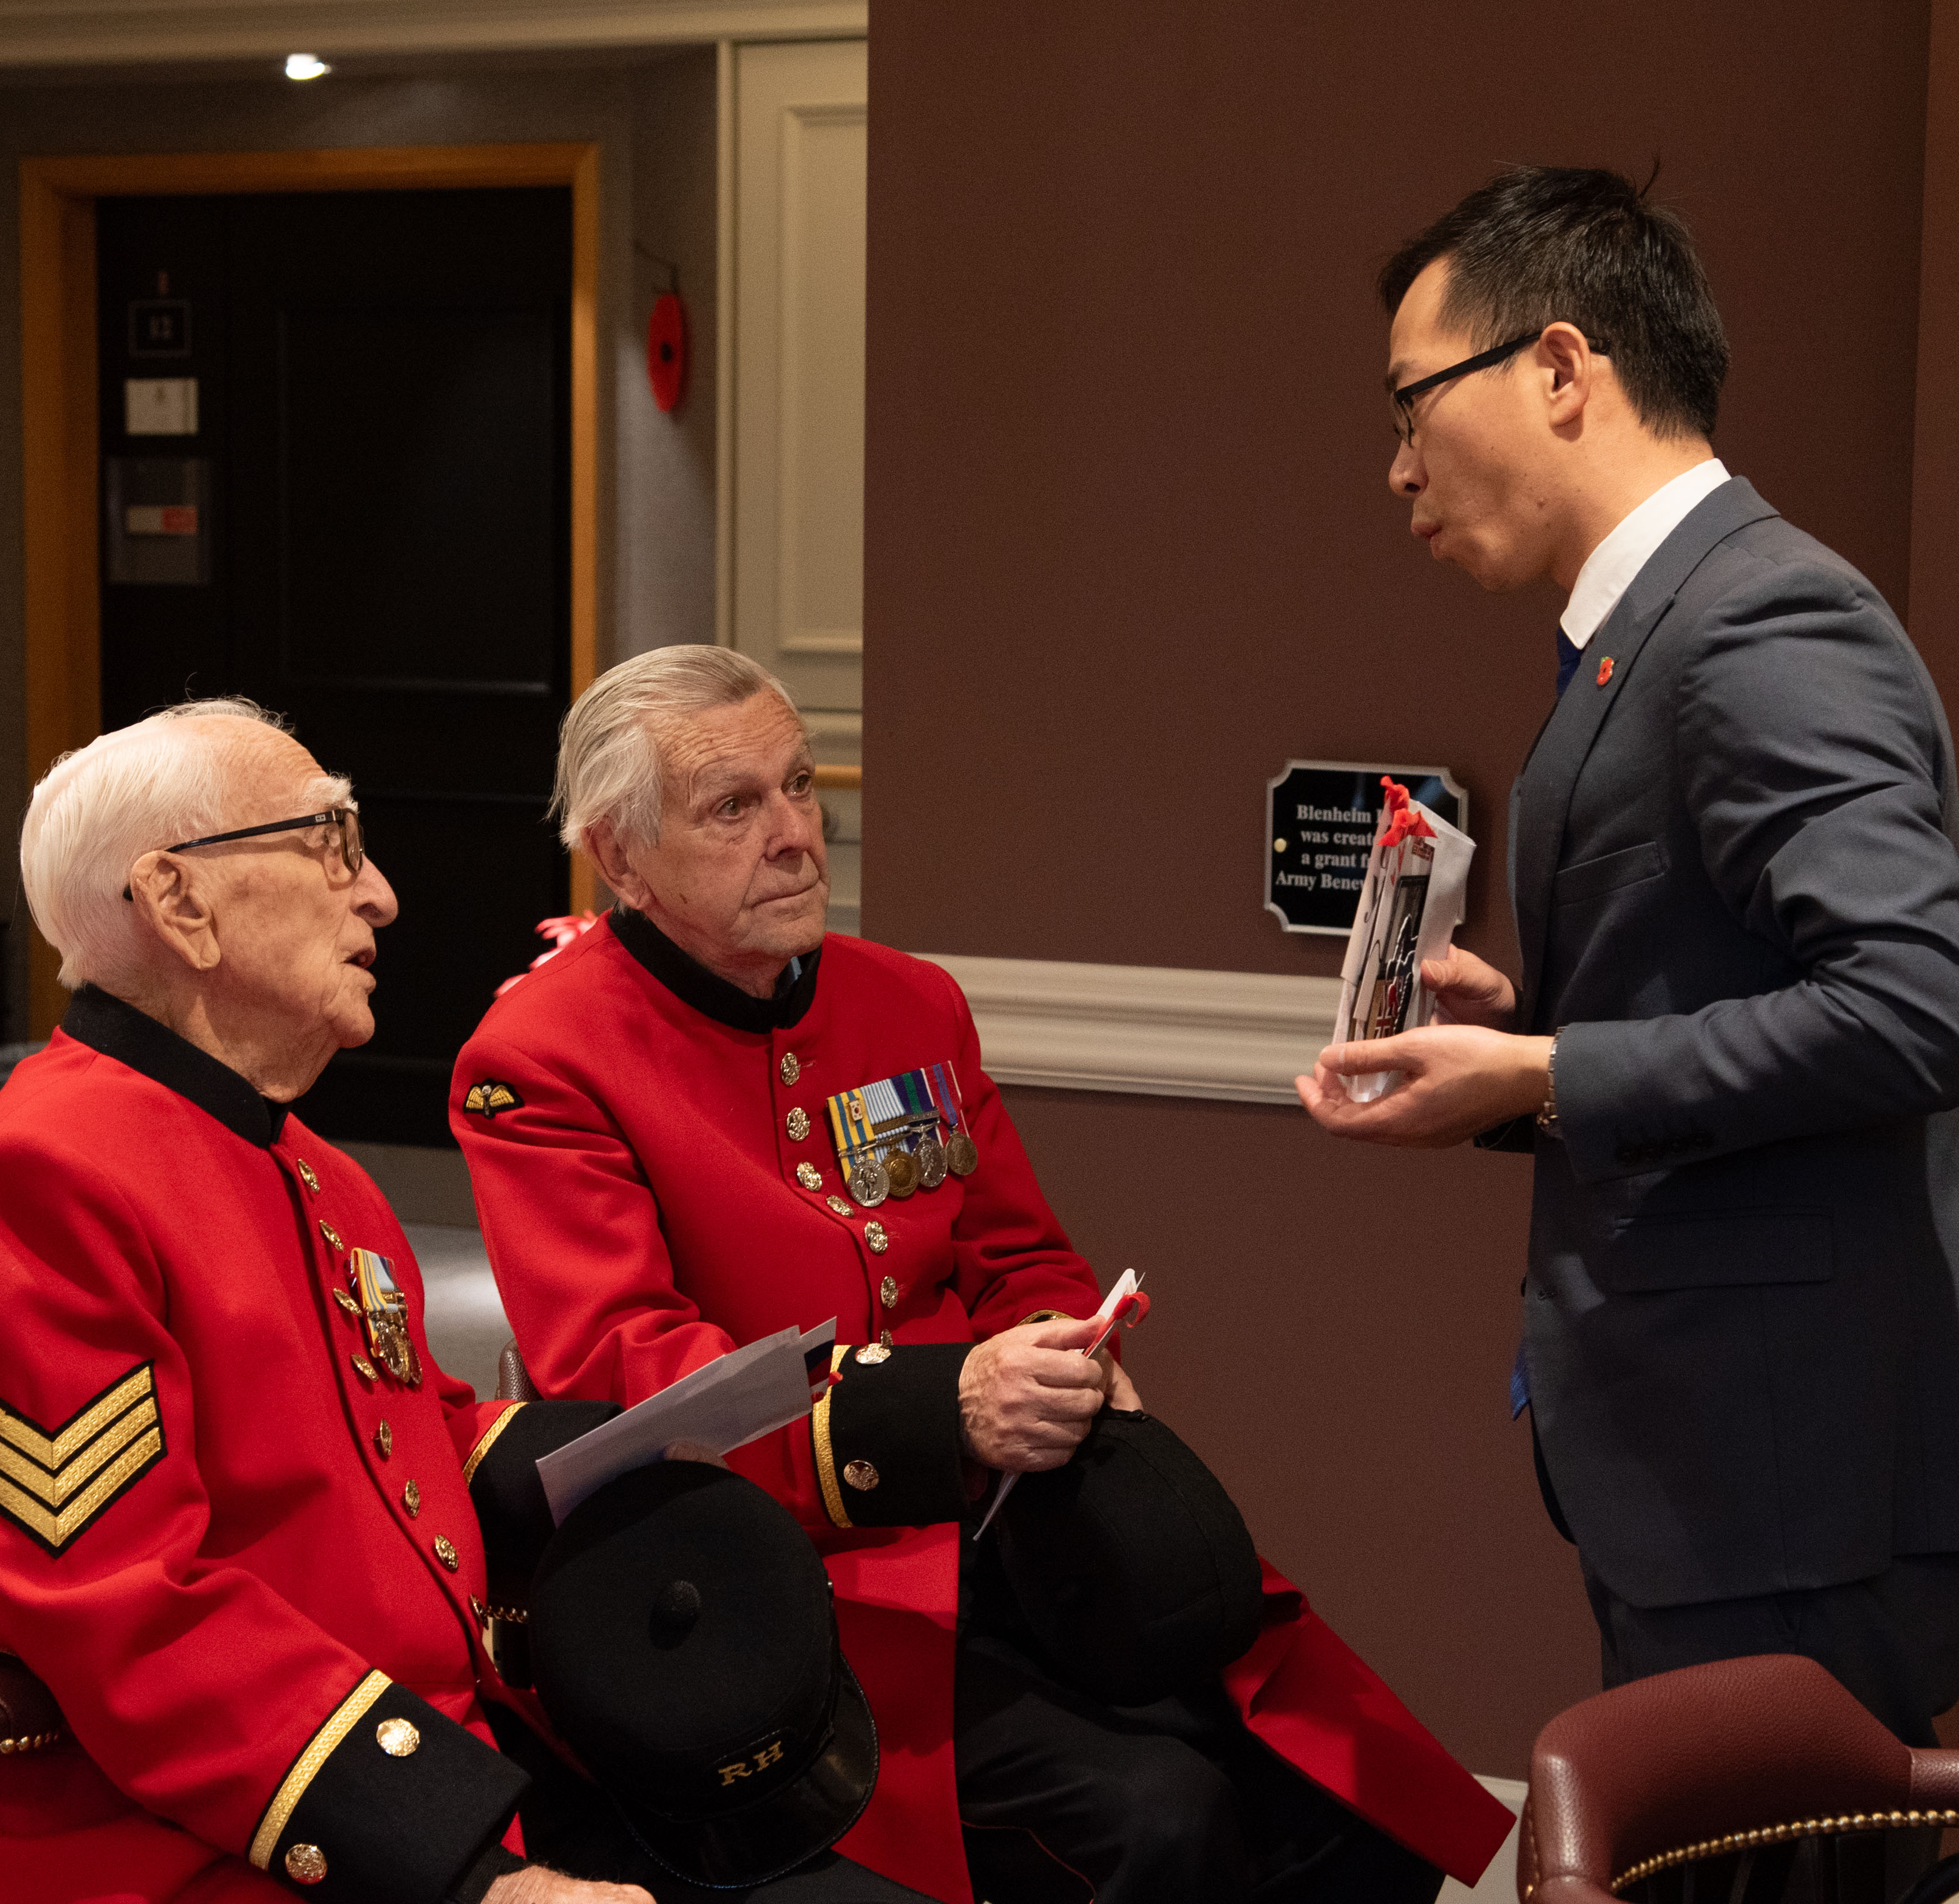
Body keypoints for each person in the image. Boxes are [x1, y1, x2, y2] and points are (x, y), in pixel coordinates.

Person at [452, 646, 1514, 1904]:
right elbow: (626, 1375)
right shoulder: (542, 1057)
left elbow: (1016, 1257)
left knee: (1338, 1785)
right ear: (617, 856)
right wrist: (937, 1408)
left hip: (1019, 1518)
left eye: (799, 787)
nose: (796, 835)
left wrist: (1065, 1344)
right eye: (733, 808)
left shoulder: (907, 1001)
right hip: (795, 1579)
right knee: (1156, 1820)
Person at [1298, 167, 1959, 1758]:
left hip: (1791, 1483)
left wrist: (1555, 1067)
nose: (1397, 464)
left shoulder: (1757, 621)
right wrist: (1516, 1060)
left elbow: (1916, 1009)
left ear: (1562, 369)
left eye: (1416, 402)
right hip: (1726, 1469)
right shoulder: (1659, 629)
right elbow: (1730, 993)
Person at [0, 698, 668, 1904]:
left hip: (407, 1773)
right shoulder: (38, 1180)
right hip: (190, 1846)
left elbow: (412, 1444)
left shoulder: (306, 1166)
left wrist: (651, 1453)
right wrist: (466, 1871)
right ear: (179, 903)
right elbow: (125, 1620)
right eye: (331, 842)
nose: (380, 893)